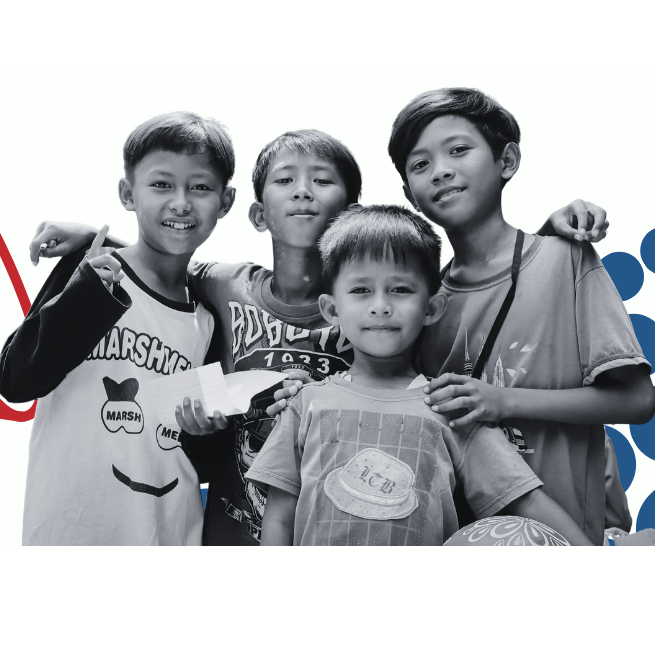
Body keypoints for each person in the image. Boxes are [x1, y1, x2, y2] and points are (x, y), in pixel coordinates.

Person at [32, 129, 612, 544]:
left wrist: (547, 236)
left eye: (321, 180)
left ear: (349, 209)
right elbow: (163, 256)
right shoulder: (225, 285)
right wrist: (94, 239)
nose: (303, 191)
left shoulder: (381, 306)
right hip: (237, 531)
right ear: (258, 215)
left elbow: (460, 284)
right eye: (286, 181)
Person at [393, 88, 655, 546]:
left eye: (458, 150)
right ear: (409, 195)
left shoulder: (565, 261)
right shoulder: (422, 303)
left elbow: (637, 400)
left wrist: (503, 401)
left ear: (507, 160)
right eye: (421, 165)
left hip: (568, 532)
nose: (442, 171)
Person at [244, 205, 590, 545]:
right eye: (361, 290)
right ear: (332, 309)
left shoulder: (450, 408)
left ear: (431, 308)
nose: (380, 305)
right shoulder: (305, 403)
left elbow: (524, 498)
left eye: (401, 289)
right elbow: (279, 515)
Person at [0, 112, 235, 545]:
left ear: (226, 201)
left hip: (166, 535)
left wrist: (207, 430)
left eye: (200, 187)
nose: (181, 202)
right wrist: (89, 288)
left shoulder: (210, 319)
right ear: (128, 193)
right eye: (161, 184)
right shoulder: (88, 270)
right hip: (67, 530)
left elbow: (207, 459)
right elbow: (15, 378)